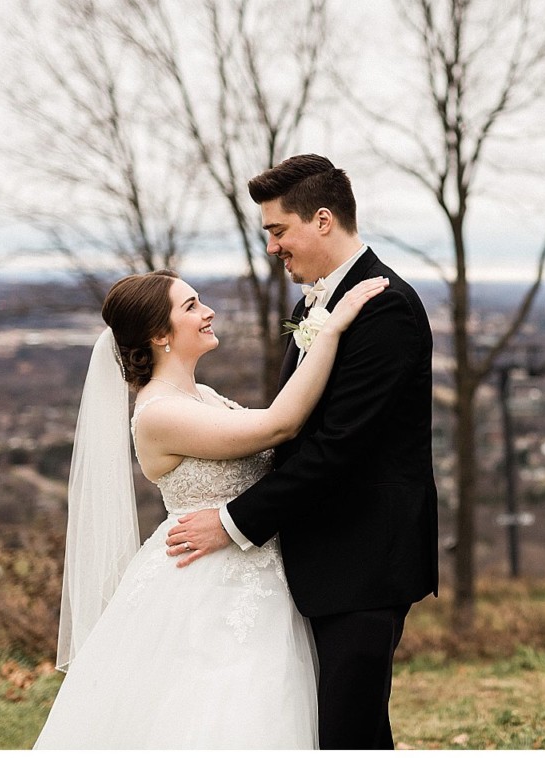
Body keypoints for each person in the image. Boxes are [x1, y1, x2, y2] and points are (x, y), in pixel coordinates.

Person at [34, 268, 389, 749]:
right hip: (204, 578)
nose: (208, 312)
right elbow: (279, 426)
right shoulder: (160, 413)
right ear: (160, 335)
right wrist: (331, 329)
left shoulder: (201, 397)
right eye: (191, 306)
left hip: (256, 568)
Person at [164, 154, 439, 749]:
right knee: (327, 729)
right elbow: (289, 429)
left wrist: (233, 522)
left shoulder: (386, 308)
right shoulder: (311, 306)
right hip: (319, 557)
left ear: (321, 220)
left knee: (348, 732)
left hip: (363, 558)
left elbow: (339, 448)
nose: (272, 247)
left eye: (277, 230)